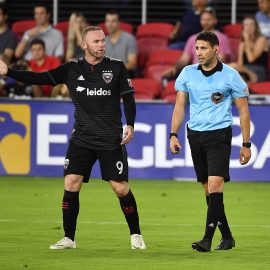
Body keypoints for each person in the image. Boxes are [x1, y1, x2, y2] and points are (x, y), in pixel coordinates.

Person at [0, 26, 146, 250]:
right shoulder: (71, 68)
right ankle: (69, 238)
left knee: (120, 188)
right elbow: (39, 78)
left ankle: (136, 234)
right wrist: (8, 72)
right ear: (84, 45)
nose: (101, 45)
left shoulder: (116, 67)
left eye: (103, 41)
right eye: (96, 41)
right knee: (71, 182)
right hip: (82, 138)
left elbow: (128, 99)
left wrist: (131, 124)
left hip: (109, 139)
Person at [169, 31, 251, 252]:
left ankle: (206, 238)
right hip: (195, 135)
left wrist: (246, 144)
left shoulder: (231, 76)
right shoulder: (187, 73)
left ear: (215, 49)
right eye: (196, 48)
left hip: (219, 135)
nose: (198, 53)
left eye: (203, 48)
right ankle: (227, 237)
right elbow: (179, 106)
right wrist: (173, 134)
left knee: (215, 185)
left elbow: (243, 111)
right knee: (209, 190)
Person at [163, 9, 231, 79]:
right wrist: (174, 68)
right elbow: (184, 59)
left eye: (208, 19)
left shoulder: (222, 38)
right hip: (195, 75)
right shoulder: (192, 38)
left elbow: (221, 60)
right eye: (203, 19)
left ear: (215, 21)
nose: (205, 22)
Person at [230, 16, 268, 82]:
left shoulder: (261, 39)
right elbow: (240, 64)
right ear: (243, 27)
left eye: (252, 24)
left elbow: (251, 59)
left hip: (259, 71)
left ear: (256, 26)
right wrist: (241, 50)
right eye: (246, 25)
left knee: (233, 66)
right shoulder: (243, 42)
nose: (249, 27)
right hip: (245, 70)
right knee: (232, 69)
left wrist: (247, 40)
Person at [105, 10, 137, 78]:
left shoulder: (129, 39)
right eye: (108, 21)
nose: (110, 24)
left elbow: (132, 63)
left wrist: (115, 69)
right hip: (108, 75)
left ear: (119, 23)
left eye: (113, 21)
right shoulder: (103, 41)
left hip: (126, 73)